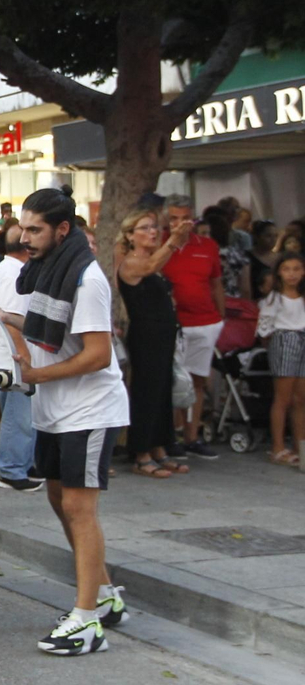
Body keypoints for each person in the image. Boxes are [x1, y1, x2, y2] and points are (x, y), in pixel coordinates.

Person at [2, 189, 129, 656]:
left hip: (89, 410)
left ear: (62, 230)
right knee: (59, 500)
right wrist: (2, 315)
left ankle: (87, 621)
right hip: (56, 410)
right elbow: (46, 324)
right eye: (24, 227)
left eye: (35, 229)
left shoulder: (86, 278)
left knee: (79, 507)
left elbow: (98, 354)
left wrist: (36, 373)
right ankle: (107, 596)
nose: (25, 236)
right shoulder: (49, 271)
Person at [116, 208, 192, 478]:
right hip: (146, 335)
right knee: (147, 391)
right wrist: (174, 240)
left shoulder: (152, 261)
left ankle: (160, 445)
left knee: (162, 391)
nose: (152, 232)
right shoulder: (132, 262)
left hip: (163, 333)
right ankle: (141, 452)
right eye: (145, 228)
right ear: (130, 235)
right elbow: (149, 268)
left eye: (154, 228)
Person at [160, 194, 223, 460]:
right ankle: (170, 436)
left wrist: (221, 318)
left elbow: (216, 283)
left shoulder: (208, 245)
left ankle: (192, 437)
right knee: (171, 381)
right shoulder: (158, 244)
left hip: (205, 322)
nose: (179, 224)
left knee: (197, 381)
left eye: (185, 218)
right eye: (173, 218)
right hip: (173, 324)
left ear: (193, 218)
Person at [0, 233, 41, 491]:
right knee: (19, 416)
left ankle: (22, 464)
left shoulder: (9, 268)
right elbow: (13, 320)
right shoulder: (13, 272)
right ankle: (11, 469)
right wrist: (25, 358)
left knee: (21, 414)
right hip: (14, 358)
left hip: (10, 356)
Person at [258, 251, 305, 466]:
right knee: (283, 398)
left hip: (303, 339)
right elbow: (264, 328)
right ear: (279, 273)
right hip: (284, 339)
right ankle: (277, 447)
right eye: (286, 269)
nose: (292, 274)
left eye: (296, 269)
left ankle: (300, 445)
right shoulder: (274, 298)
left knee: (300, 399)